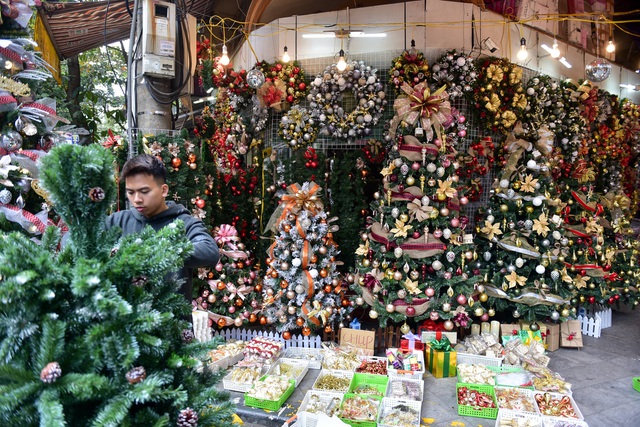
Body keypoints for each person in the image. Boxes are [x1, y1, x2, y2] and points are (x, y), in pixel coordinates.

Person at [105, 153, 219, 300]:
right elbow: (77, 236)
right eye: (130, 193)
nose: (137, 199)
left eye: (144, 191)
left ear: (164, 190)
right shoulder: (118, 221)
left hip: (172, 320)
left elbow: (210, 251)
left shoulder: (184, 223)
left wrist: (156, 250)